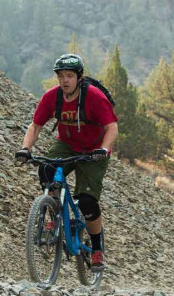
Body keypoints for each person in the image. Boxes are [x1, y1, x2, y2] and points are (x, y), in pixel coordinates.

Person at [15, 53, 118, 272]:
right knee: (47, 169)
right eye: (61, 76)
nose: (64, 80)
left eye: (69, 75)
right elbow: (35, 126)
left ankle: (97, 249)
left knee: (88, 201)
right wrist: (26, 149)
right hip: (67, 143)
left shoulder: (94, 97)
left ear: (79, 77)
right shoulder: (52, 97)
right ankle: (53, 212)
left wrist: (103, 149)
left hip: (94, 149)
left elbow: (111, 127)